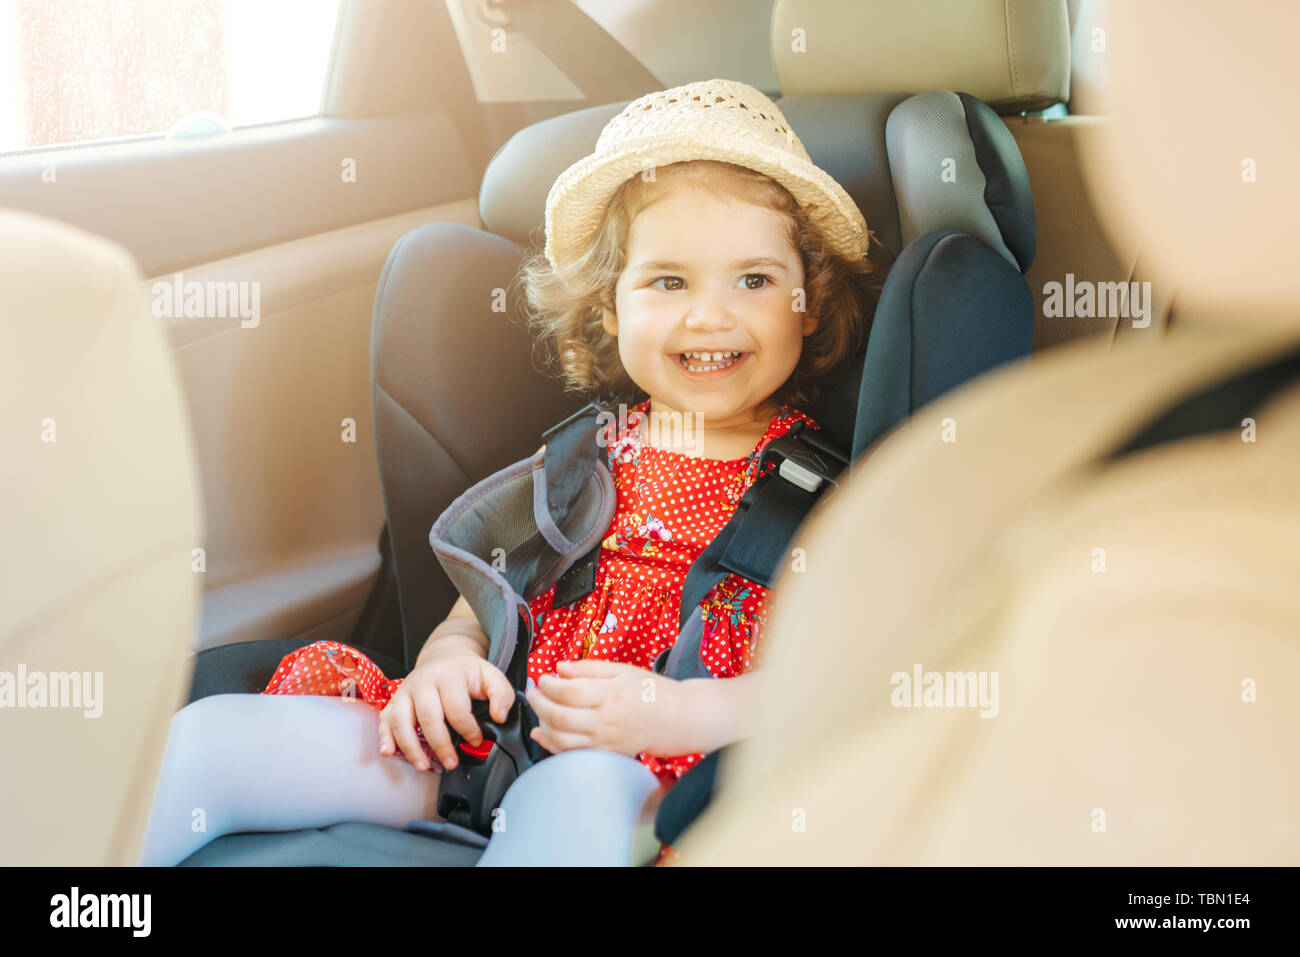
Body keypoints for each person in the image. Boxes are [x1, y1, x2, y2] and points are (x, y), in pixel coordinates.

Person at [137, 78, 889, 867]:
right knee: (211, 742)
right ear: (610, 308)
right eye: (669, 281)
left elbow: (838, 675)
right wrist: (446, 663)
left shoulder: (820, 493)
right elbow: (483, 599)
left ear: (807, 303)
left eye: (755, 280)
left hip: (653, 782)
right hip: (492, 744)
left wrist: (678, 712)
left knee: (576, 803)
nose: (710, 314)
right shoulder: (581, 458)